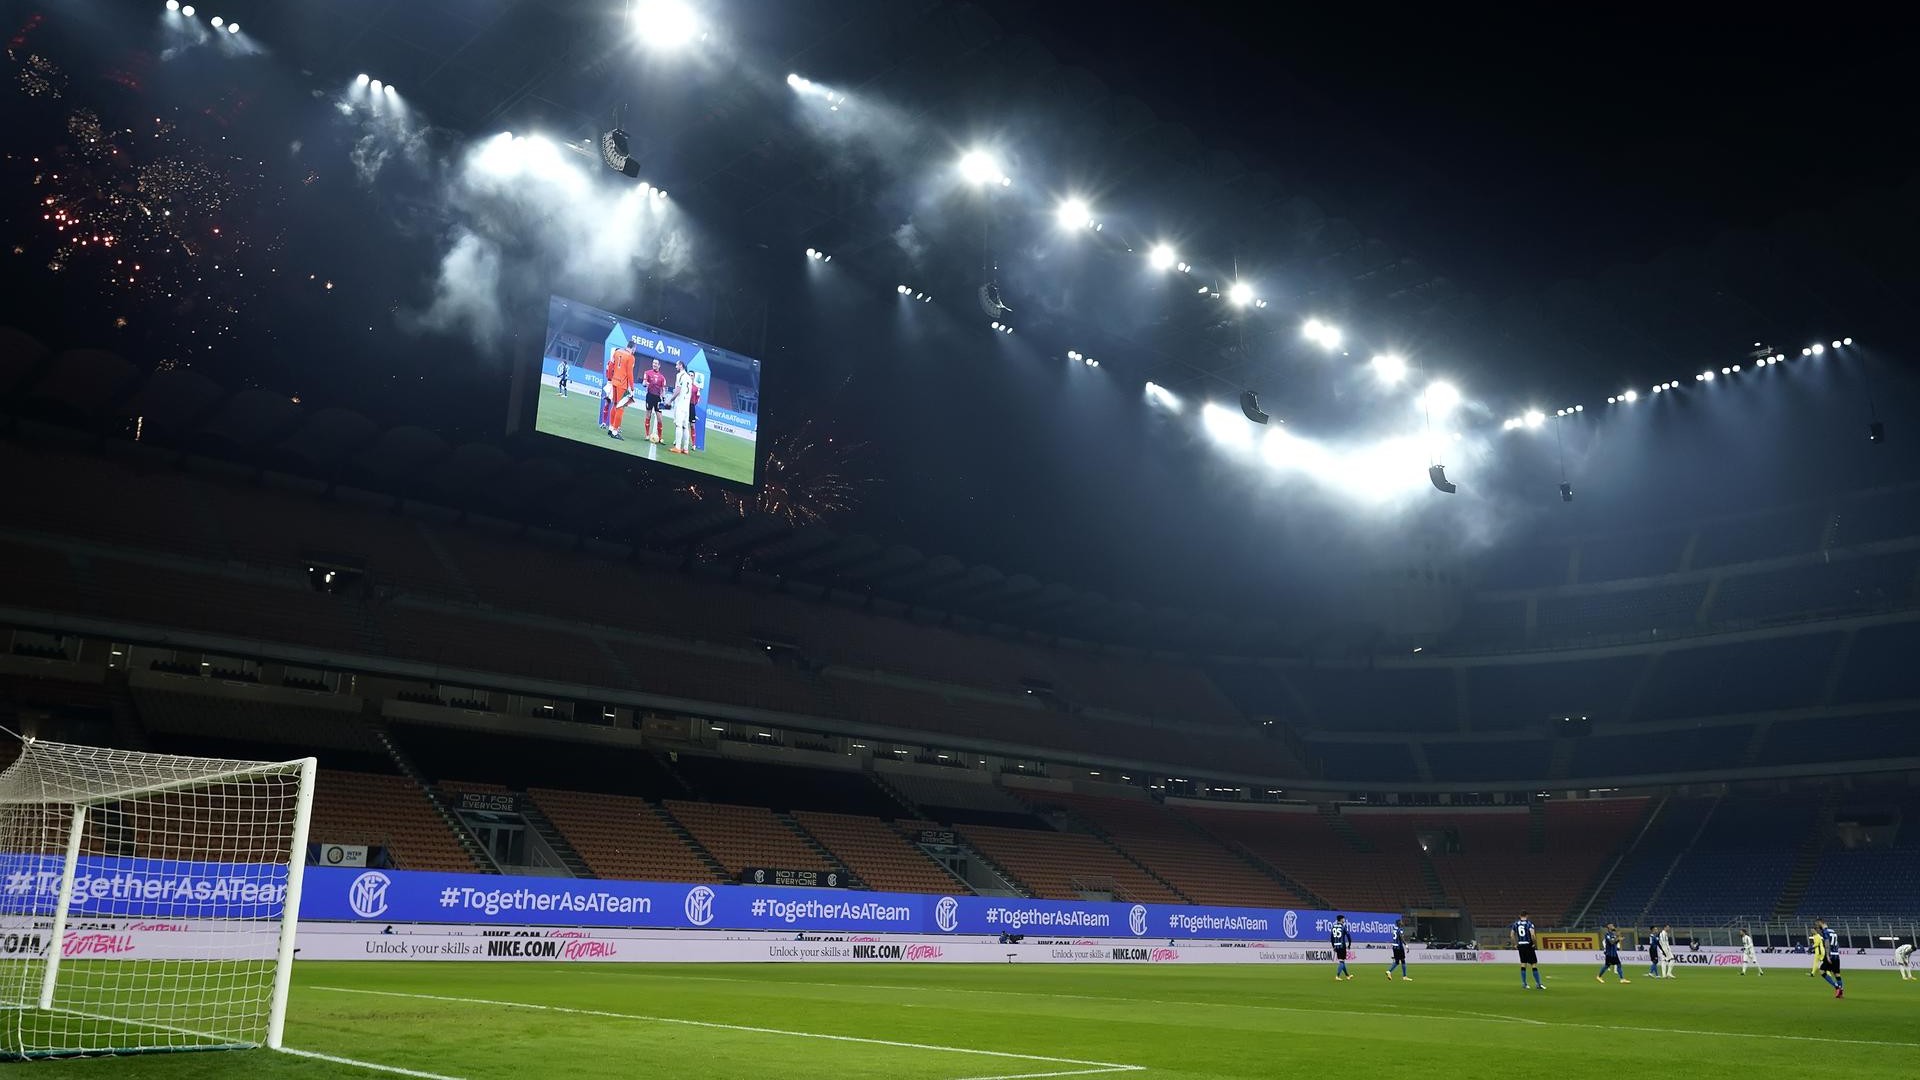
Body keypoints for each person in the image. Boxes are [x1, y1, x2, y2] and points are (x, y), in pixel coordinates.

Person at [604, 338, 637, 441]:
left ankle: (610, 428)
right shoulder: (631, 357)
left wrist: (609, 378)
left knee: (614, 405)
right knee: (620, 408)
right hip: (622, 384)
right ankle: (615, 431)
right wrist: (632, 387)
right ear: (633, 348)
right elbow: (629, 373)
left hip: (614, 381)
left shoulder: (617, 352)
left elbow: (610, 365)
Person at [668, 360, 696, 455]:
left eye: (677, 364)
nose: (676, 366)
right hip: (686, 404)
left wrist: (670, 400)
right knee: (685, 427)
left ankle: (677, 447)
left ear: (681, 365)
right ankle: (686, 448)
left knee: (678, 425)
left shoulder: (680, 375)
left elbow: (678, 390)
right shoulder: (689, 378)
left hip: (680, 403)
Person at [1512, 911, 1544, 990]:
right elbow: (1532, 935)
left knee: (1523, 964)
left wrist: (1515, 944)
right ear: (1527, 915)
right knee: (1533, 964)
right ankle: (1538, 984)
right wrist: (1534, 943)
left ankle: (1524, 984)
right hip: (1528, 944)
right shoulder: (1529, 924)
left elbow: (1512, 935)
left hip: (1521, 945)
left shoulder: (1515, 924)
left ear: (1519, 916)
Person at [1812, 921, 1844, 999]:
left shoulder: (1825, 932)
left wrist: (1827, 955)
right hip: (1836, 955)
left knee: (1822, 971)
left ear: (1822, 923)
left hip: (1830, 955)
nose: (1818, 927)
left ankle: (1836, 987)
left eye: (1818, 925)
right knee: (1837, 974)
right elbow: (1837, 944)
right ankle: (1841, 991)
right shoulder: (1833, 931)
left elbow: (1827, 943)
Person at [642, 357, 668, 444]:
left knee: (660, 419)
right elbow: (644, 383)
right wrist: (645, 384)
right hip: (649, 396)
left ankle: (660, 438)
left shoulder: (662, 378)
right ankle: (647, 435)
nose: (654, 364)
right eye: (653, 363)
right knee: (648, 415)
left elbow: (663, 390)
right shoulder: (647, 373)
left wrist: (664, 399)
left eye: (656, 363)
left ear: (659, 365)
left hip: (658, 398)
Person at [1329, 914, 1353, 981]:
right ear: (1341, 919)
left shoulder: (1333, 926)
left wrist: (1333, 946)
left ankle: (1347, 976)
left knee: (1342, 961)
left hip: (1336, 946)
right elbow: (1348, 936)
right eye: (1343, 919)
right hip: (1342, 946)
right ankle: (1337, 976)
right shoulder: (1343, 926)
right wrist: (1349, 944)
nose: (1344, 920)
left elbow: (1331, 938)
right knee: (1341, 961)